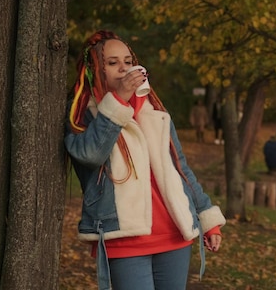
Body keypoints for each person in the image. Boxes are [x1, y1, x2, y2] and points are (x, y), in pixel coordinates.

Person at [64, 30, 226, 290]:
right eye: (112, 62)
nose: (123, 68)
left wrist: (207, 219)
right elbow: (90, 155)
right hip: (124, 238)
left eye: (128, 61)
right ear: (95, 68)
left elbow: (180, 167)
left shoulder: (154, 109)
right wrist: (118, 101)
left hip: (174, 233)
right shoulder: (84, 111)